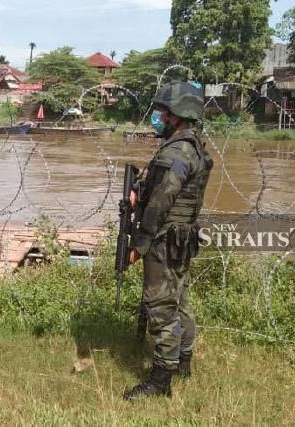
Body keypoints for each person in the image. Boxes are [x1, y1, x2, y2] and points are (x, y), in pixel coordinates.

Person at [123, 81, 213, 400]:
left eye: (162, 111)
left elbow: (161, 201)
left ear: (177, 115)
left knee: (161, 305)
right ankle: (183, 361)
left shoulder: (177, 151)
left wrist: (140, 243)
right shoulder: (193, 146)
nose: (157, 117)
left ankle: (161, 380)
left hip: (164, 239)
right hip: (182, 236)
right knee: (181, 298)